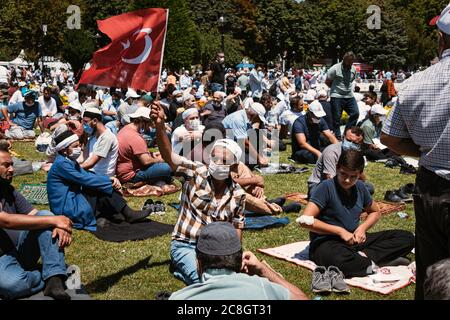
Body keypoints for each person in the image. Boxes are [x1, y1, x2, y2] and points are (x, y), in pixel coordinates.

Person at [380, 4, 450, 300]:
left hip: (431, 185)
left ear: (441, 38)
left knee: (431, 273)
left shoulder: (414, 83)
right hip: (431, 181)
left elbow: (389, 138)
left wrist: (426, 151)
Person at [152, 102, 247, 285]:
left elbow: (238, 228)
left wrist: (236, 256)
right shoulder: (196, 173)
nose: (217, 163)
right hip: (186, 244)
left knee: (234, 281)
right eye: (214, 157)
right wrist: (159, 126)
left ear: (234, 167)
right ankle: (187, 269)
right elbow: (169, 157)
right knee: (206, 282)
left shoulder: (238, 194)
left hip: (217, 250)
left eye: (224, 160)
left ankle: (183, 271)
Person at [298, 150, 415, 278]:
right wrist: (339, 231)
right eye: (343, 174)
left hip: (354, 240)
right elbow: (305, 220)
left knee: (407, 237)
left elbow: (375, 212)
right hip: (328, 242)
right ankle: (375, 261)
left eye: (353, 176)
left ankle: (364, 260)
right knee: (338, 260)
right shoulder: (325, 187)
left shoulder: (360, 187)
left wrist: (362, 229)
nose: (347, 180)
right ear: (337, 168)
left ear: (360, 174)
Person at [0, 149, 73, 300]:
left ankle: (54, 280)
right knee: (13, 285)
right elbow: (5, 220)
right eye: (6, 165)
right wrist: (54, 220)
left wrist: (57, 224)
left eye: (12, 164)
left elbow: (35, 214)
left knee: (46, 215)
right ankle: (44, 274)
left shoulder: (9, 190)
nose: (12, 169)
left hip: (20, 250)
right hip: (2, 258)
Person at [169, 222, 308, 300]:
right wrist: (264, 270)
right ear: (241, 262)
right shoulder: (264, 288)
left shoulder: (180, 297)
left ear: (198, 263)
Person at [47, 130, 155, 230]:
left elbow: (84, 174)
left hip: (72, 199)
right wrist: (109, 182)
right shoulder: (62, 164)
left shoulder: (67, 160)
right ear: (64, 150)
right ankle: (126, 213)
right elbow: (85, 179)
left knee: (99, 184)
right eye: (75, 146)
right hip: (66, 207)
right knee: (100, 187)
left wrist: (108, 179)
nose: (79, 148)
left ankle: (121, 213)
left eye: (79, 145)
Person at [307, 127, 375, 197]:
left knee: (368, 188)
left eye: (355, 143)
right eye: (348, 140)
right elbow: (329, 179)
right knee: (327, 194)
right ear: (343, 137)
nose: (351, 144)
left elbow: (361, 178)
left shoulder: (357, 153)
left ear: (360, 143)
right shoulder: (332, 152)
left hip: (345, 182)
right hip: (320, 185)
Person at [116, 107, 172, 185]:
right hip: (131, 175)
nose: (149, 127)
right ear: (143, 122)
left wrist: (152, 155)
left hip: (123, 172)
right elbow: (146, 161)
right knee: (166, 167)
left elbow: (136, 154)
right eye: (149, 123)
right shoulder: (135, 137)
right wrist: (159, 160)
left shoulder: (125, 129)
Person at [222, 102, 269, 168]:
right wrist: (259, 158)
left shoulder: (245, 117)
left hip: (235, 143)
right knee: (252, 161)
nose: (258, 120)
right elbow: (244, 142)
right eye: (258, 117)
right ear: (253, 114)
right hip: (227, 146)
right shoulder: (238, 119)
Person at [325, 52, 359, 139]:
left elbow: (351, 81)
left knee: (355, 113)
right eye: (348, 63)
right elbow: (328, 82)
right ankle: (337, 136)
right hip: (337, 96)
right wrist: (336, 90)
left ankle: (347, 133)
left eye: (351, 63)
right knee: (336, 118)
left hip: (349, 96)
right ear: (344, 60)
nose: (349, 65)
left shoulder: (353, 69)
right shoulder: (335, 68)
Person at [80, 108, 118, 177]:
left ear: (94, 121)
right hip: (91, 172)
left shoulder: (107, 137)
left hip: (100, 176)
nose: (83, 125)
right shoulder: (93, 136)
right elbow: (84, 157)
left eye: (85, 122)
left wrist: (72, 169)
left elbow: (91, 163)